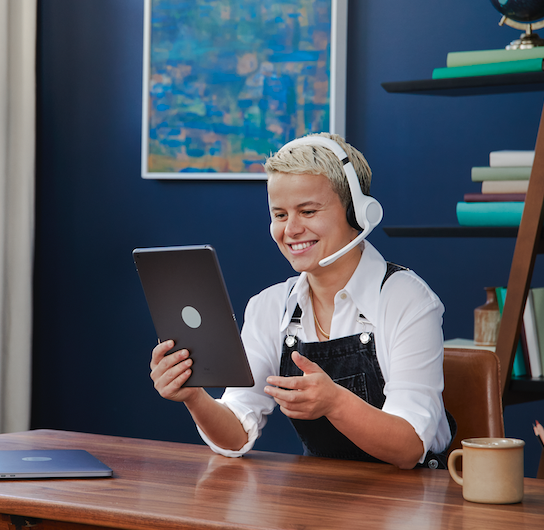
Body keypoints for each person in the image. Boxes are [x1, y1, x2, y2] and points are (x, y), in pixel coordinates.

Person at [150, 133, 454, 469]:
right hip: (319, 492)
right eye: (280, 215)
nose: (291, 229)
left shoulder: (407, 300)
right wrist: (193, 395)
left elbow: (409, 447)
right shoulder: (270, 307)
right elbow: (236, 434)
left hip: (413, 492)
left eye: (308, 211)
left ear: (357, 214)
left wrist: (335, 403)